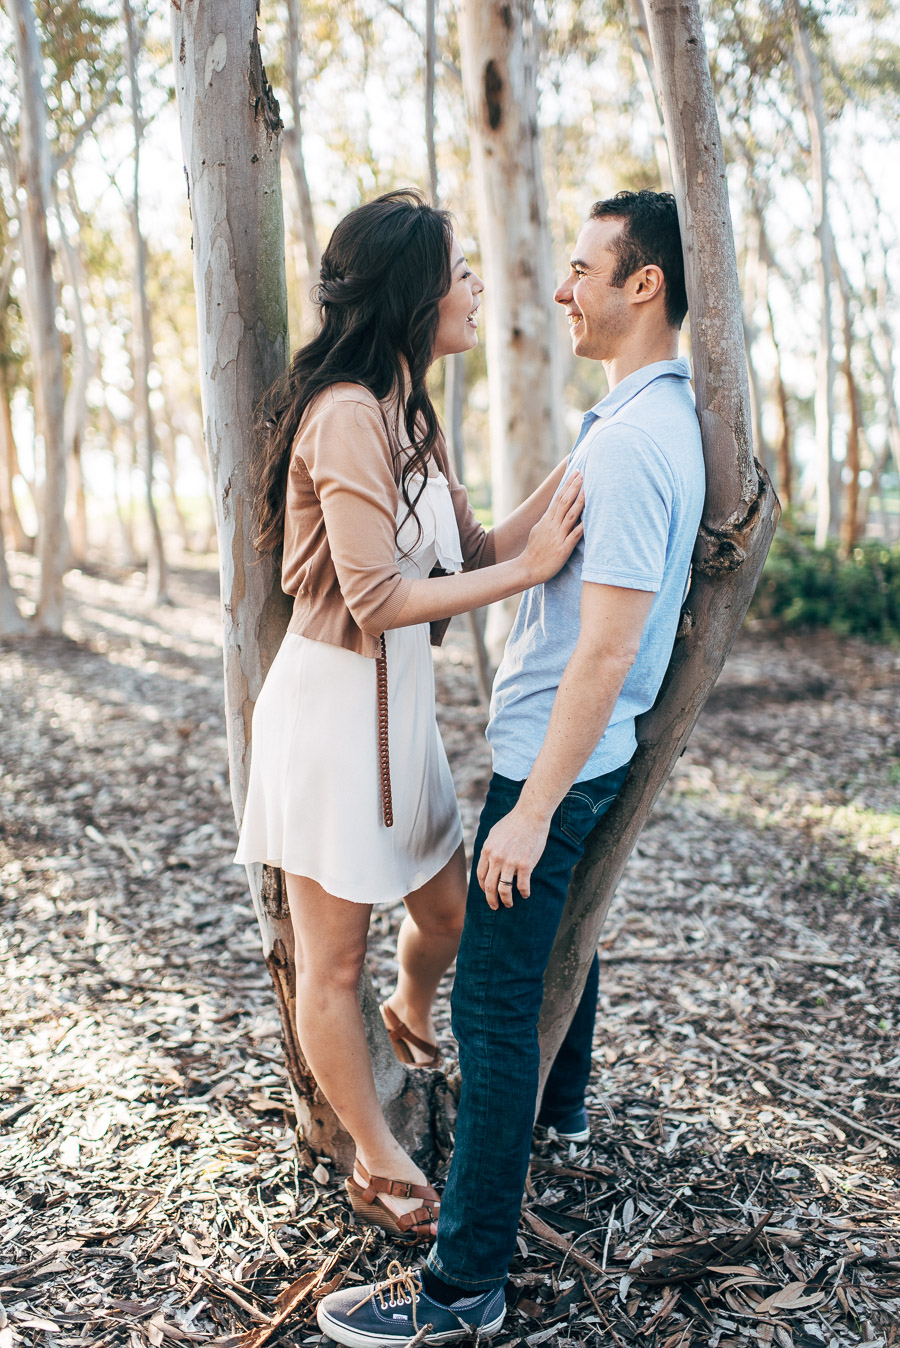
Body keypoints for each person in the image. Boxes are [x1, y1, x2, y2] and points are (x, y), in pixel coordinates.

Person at [317, 189, 706, 1344]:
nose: (560, 286)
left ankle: (459, 1289)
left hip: (554, 760)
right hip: (557, 750)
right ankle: (569, 1113)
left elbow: (610, 645)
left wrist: (530, 811)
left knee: (489, 1007)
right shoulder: (634, 421)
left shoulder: (636, 441)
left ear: (647, 286)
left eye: (585, 268)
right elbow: (519, 561)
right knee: (547, 945)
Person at [234, 190, 584, 1243]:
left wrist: (582, 467)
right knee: (329, 963)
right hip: (338, 718)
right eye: (460, 272)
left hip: (403, 720)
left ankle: (413, 1010)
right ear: (412, 291)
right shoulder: (345, 413)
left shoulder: (406, 409)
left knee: (446, 918)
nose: (474, 288)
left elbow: (474, 554)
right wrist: (530, 572)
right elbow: (380, 593)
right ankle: (374, 1158)